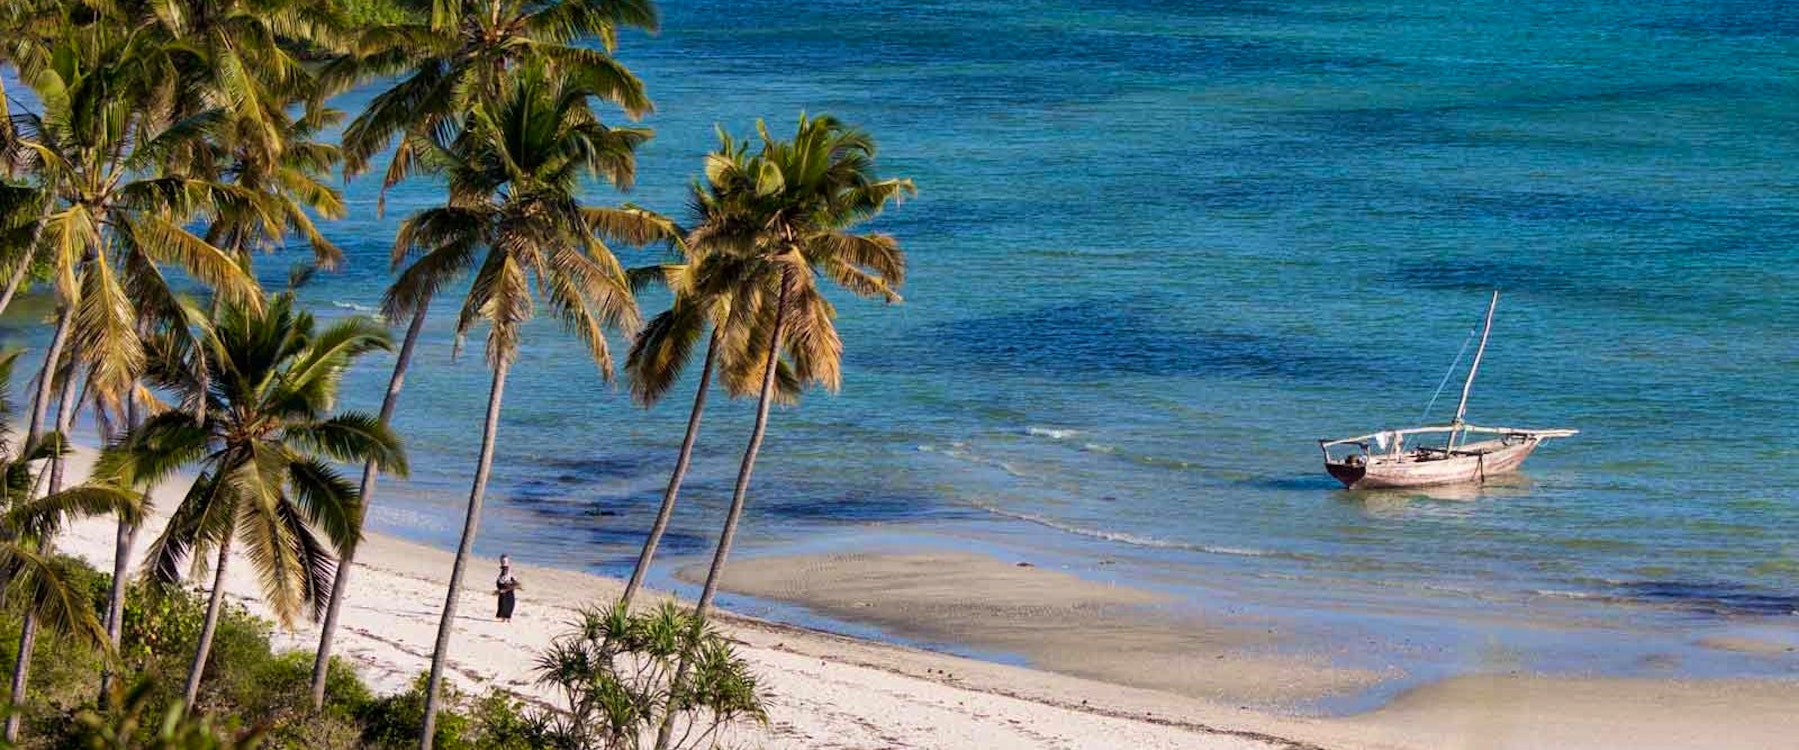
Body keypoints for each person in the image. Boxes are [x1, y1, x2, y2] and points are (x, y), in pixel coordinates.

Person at [495, 555, 521, 622]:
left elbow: (511, 579)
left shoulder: (508, 571)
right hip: (504, 588)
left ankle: (507, 617)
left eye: (504, 561)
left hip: (508, 589)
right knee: (503, 604)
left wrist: (512, 584)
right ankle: (504, 617)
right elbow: (501, 580)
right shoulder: (503, 571)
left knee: (509, 603)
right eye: (502, 561)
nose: (503, 562)